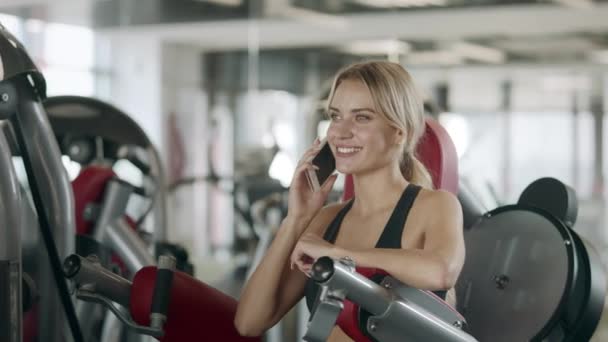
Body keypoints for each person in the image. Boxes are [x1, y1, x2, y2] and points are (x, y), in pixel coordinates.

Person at [234, 60, 465, 341]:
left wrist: (337, 255)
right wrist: (296, 219)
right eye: (335, 116)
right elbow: (249, 322)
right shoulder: (327, 220)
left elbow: (442, 271)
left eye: (362, 117)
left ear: (398, 132)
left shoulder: (434, 205)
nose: (340, 132)